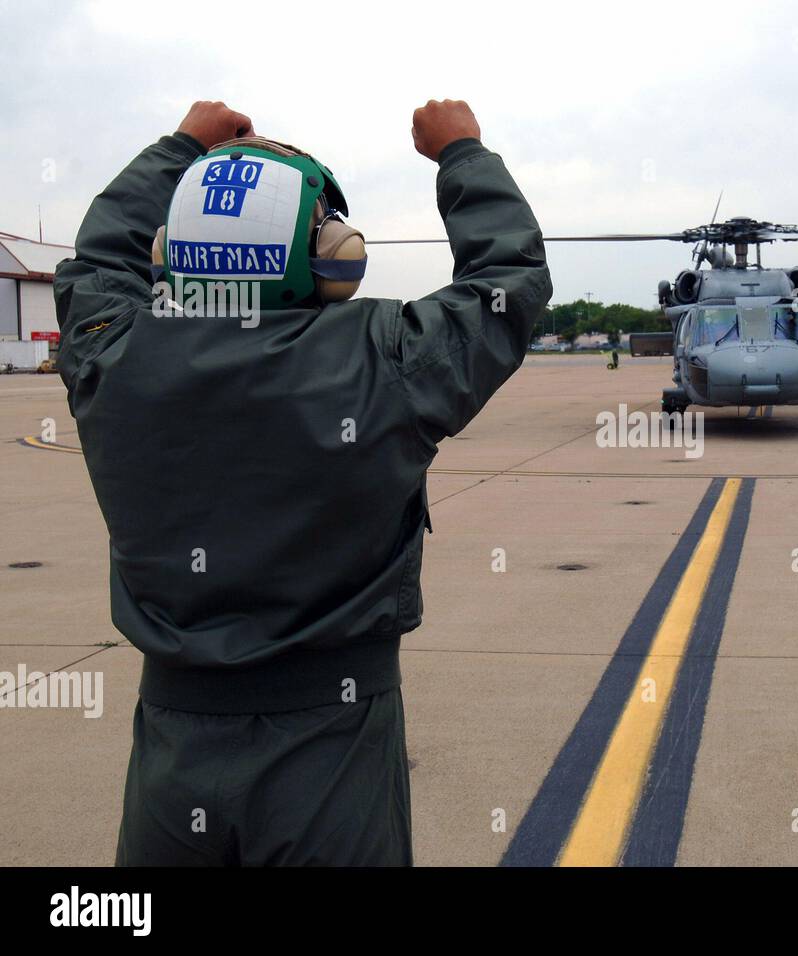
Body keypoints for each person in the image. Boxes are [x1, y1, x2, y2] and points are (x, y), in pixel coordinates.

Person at [53, 99, 551, 865]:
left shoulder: (109, 356)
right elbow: (508, 283)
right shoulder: (387, 358)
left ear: (170, 249)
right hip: (333, 745)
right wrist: (463, 154)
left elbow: (95, 264)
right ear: (328, 253)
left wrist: (179, 148)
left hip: (169, 755)